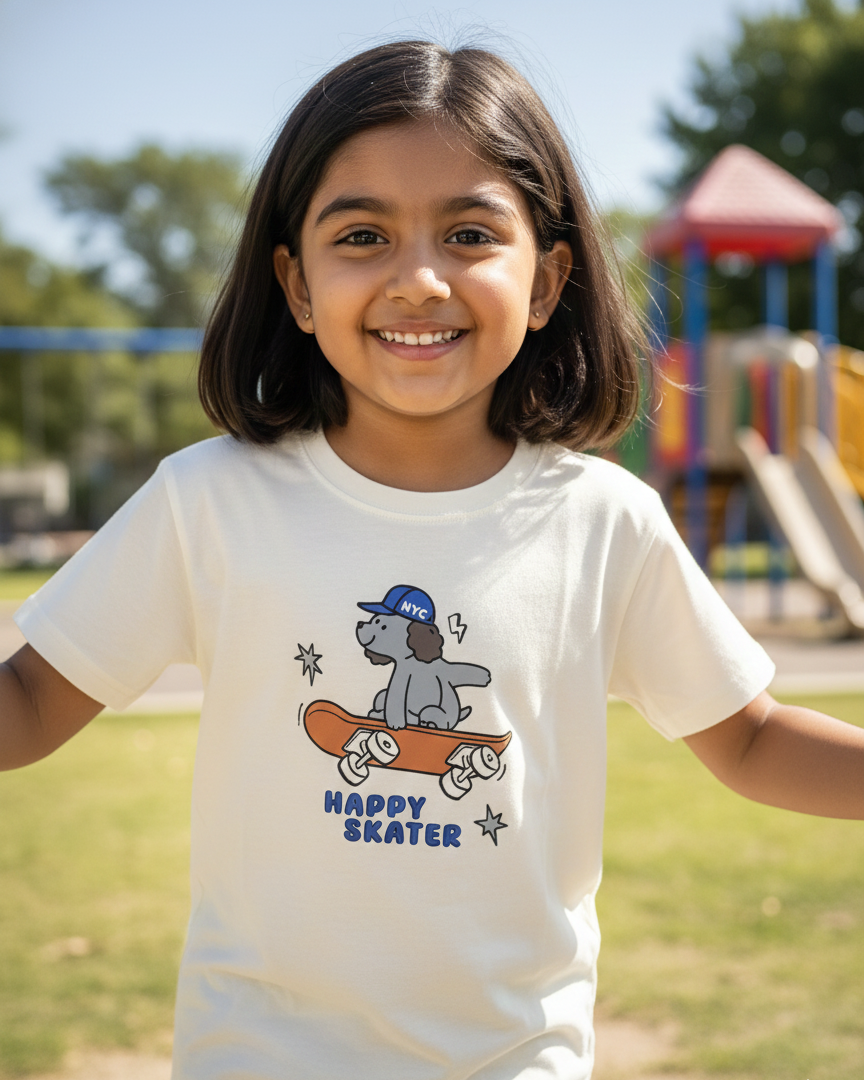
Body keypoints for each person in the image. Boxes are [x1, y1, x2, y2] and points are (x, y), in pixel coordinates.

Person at [0, 40, 861, 1080]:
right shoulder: (208, 502)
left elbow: (755, 739)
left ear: (545, 281)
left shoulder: (604, 521)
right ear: (297, 284)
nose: (418, 280)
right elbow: (31, 705)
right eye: (361, 235)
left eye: (467, 234)